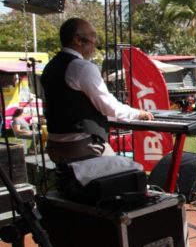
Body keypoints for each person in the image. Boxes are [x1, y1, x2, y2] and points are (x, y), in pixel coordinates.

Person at [41, 18, 153, 164]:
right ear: (78, 40)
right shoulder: (82, 67)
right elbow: (109, 107)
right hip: (81, 146)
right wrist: (139, 113)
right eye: (93, 37)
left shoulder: (49, 67)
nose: (95, 43)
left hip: (54, 145)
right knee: (134, 171)